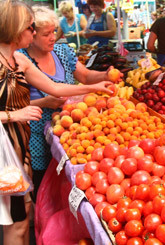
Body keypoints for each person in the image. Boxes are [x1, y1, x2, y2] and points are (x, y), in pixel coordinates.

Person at [0, 1, 112, 244]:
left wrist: (95, 85)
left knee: (20, 218)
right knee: (13, 219)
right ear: (16, 29)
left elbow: (54, 87)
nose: (34, 32)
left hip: (19, 146)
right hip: (3, 149)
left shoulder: (20, 61)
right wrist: (13, 115)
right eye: (31, 28)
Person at [18, 5, 114, 201]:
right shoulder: (21, 60)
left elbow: (86, 76)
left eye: (54, 31)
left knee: (68, 184)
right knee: (44, 183)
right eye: (46, 34)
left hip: (73, 129)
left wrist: (105, 75)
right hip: (37, 132)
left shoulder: (63, 52)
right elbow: (16, 103)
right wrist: (45, 101)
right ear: (32, 35)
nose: (53, 37)